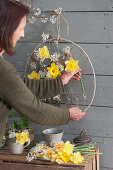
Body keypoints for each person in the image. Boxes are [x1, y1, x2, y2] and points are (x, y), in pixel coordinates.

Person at [0, 0, 86, 148]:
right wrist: (67, 115)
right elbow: (34, 109)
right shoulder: (3, 71)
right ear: (6, 28)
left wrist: (60, 81)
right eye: (21, 29)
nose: (22, 35)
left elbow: (19, 87)